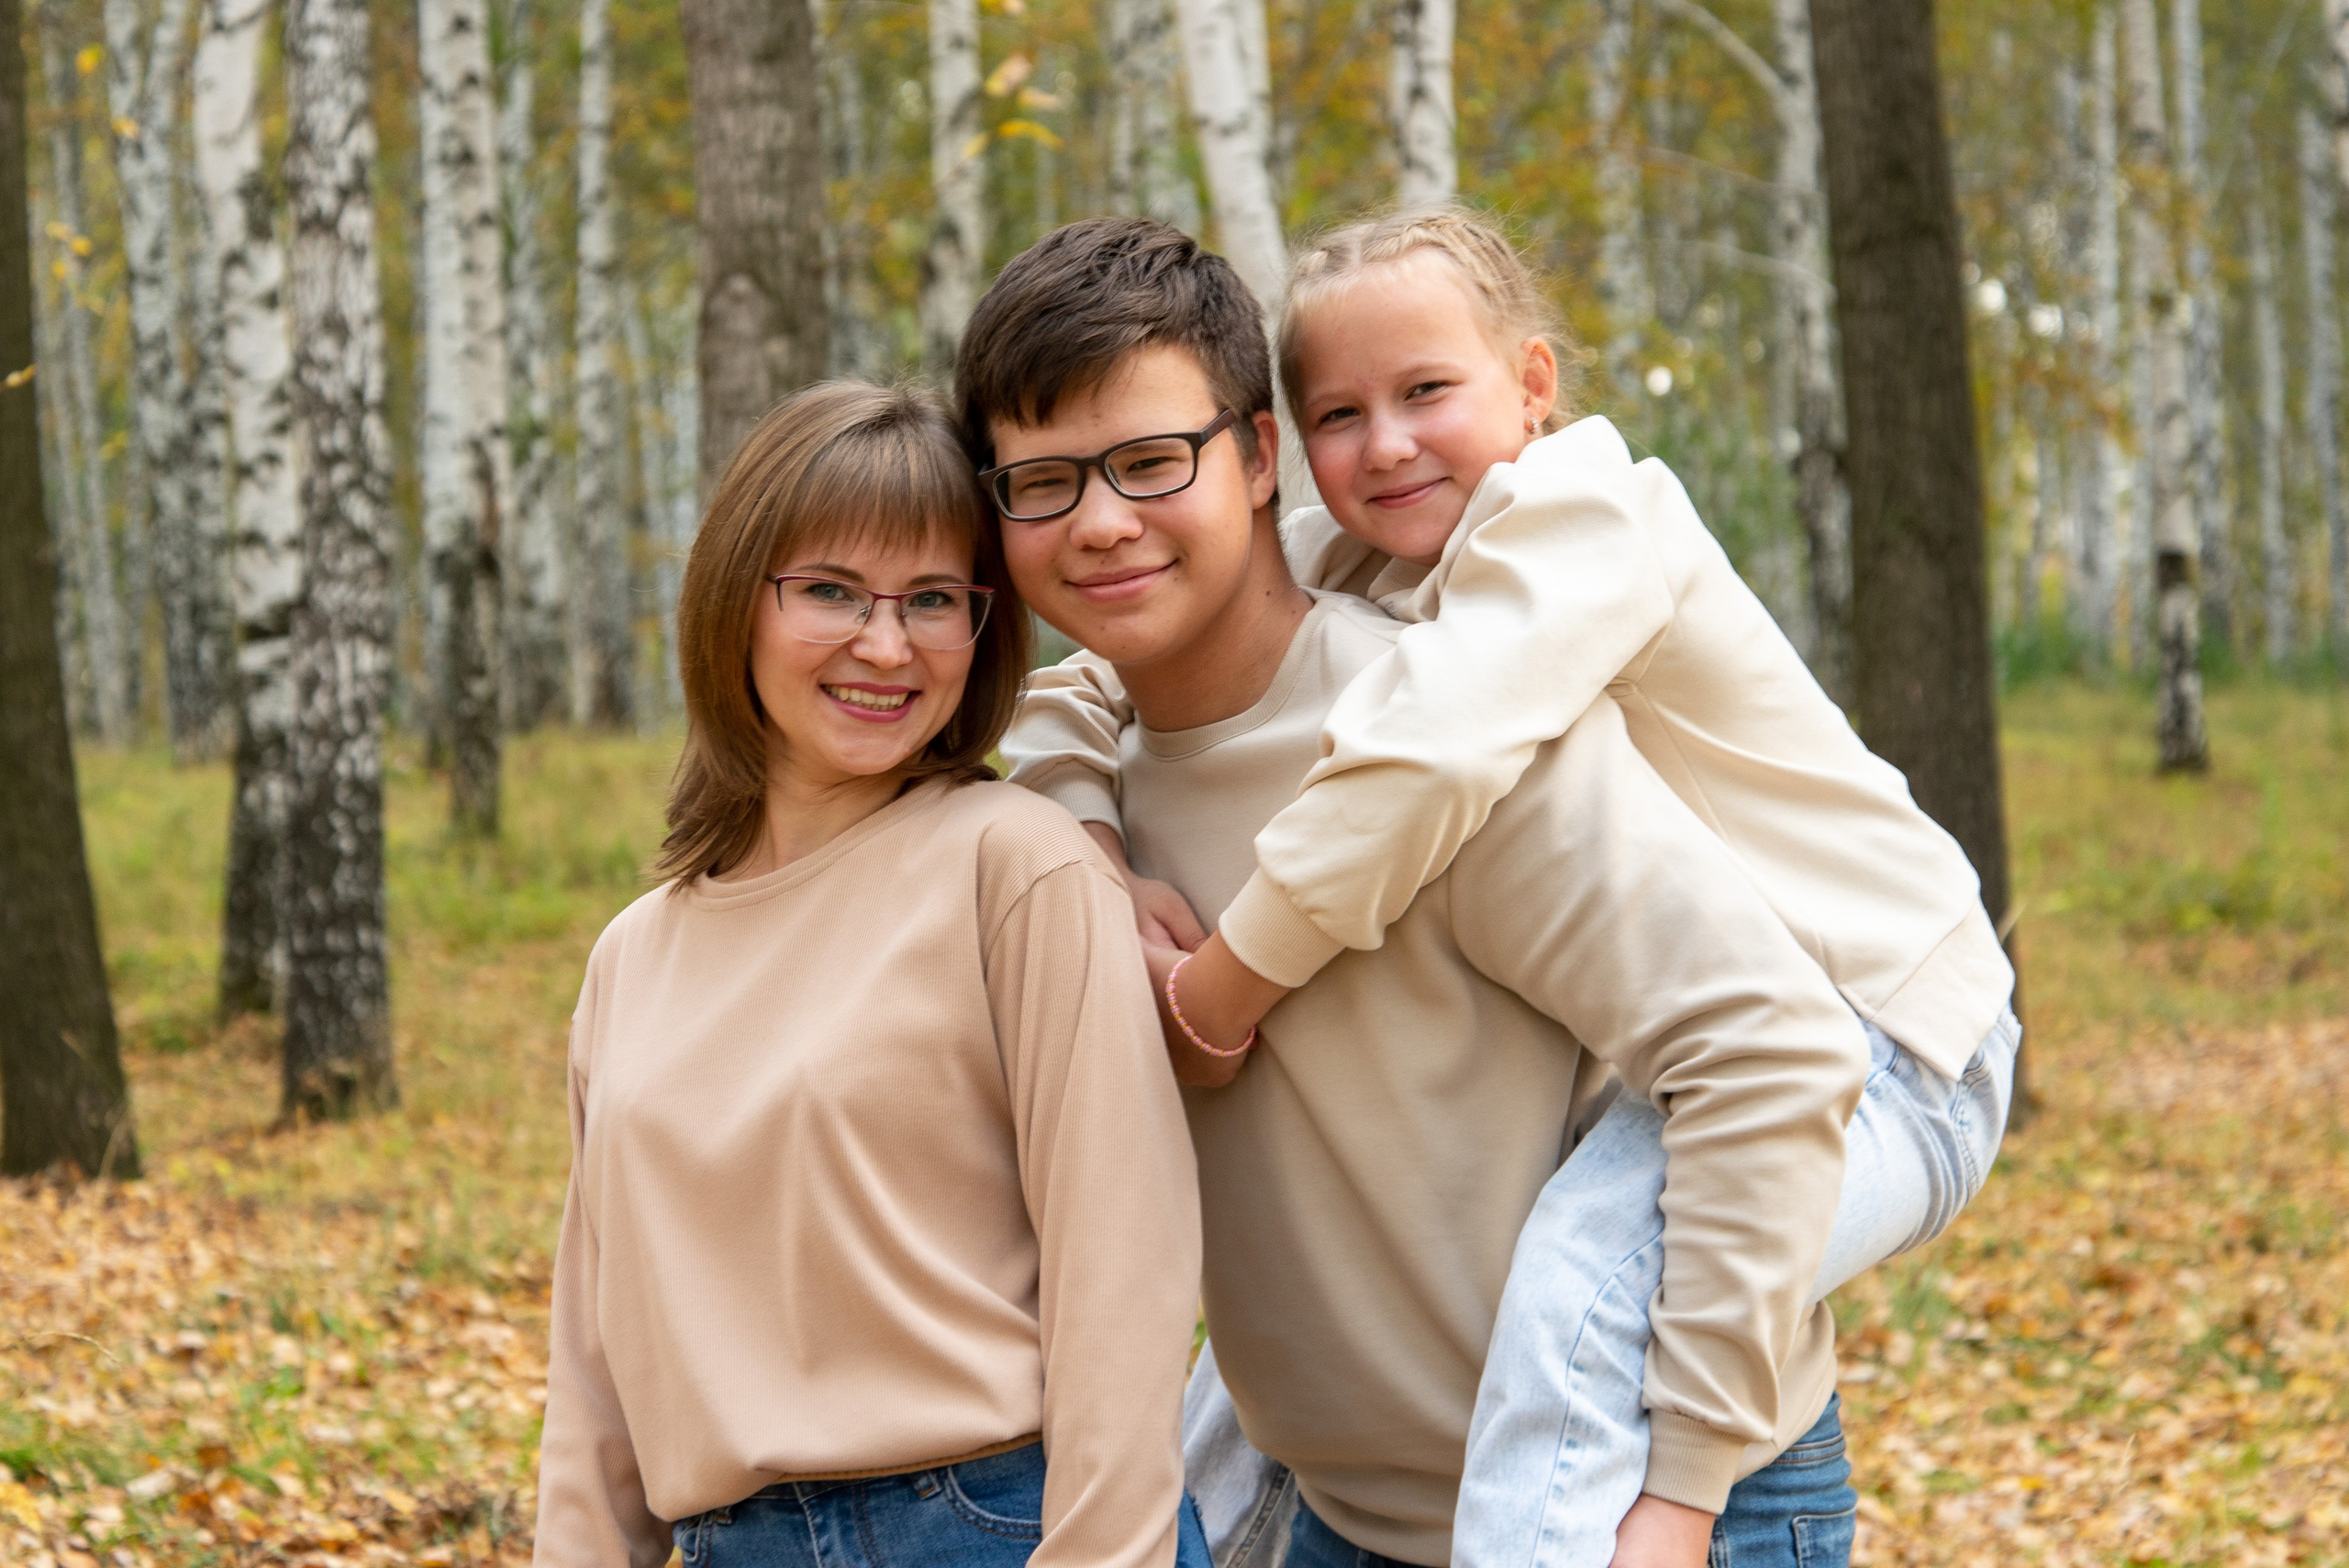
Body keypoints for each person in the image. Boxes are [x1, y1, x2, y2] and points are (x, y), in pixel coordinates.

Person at [999, 210, 2021, 1568]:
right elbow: (1074, 692)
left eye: (1428, 391)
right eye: (1342, 415)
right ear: (1295, 448)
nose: (1389, 443)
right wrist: (1083, 847)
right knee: (1227, 1419)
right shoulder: (1357, 568)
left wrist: (1222, 985)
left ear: (1532, 387)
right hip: (1370, 1502)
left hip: (1894, 1018)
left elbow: (1435, 757)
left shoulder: (1576, 541)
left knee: (1588, 1279)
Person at [530, 382, 1211, 1568]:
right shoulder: (633, 954)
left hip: (1002, 1527)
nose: (885, 645)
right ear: (737, 602)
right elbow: (595, 1372)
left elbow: (1126, 1278)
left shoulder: (1020, 863)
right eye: (832, 591)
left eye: (932, 600)